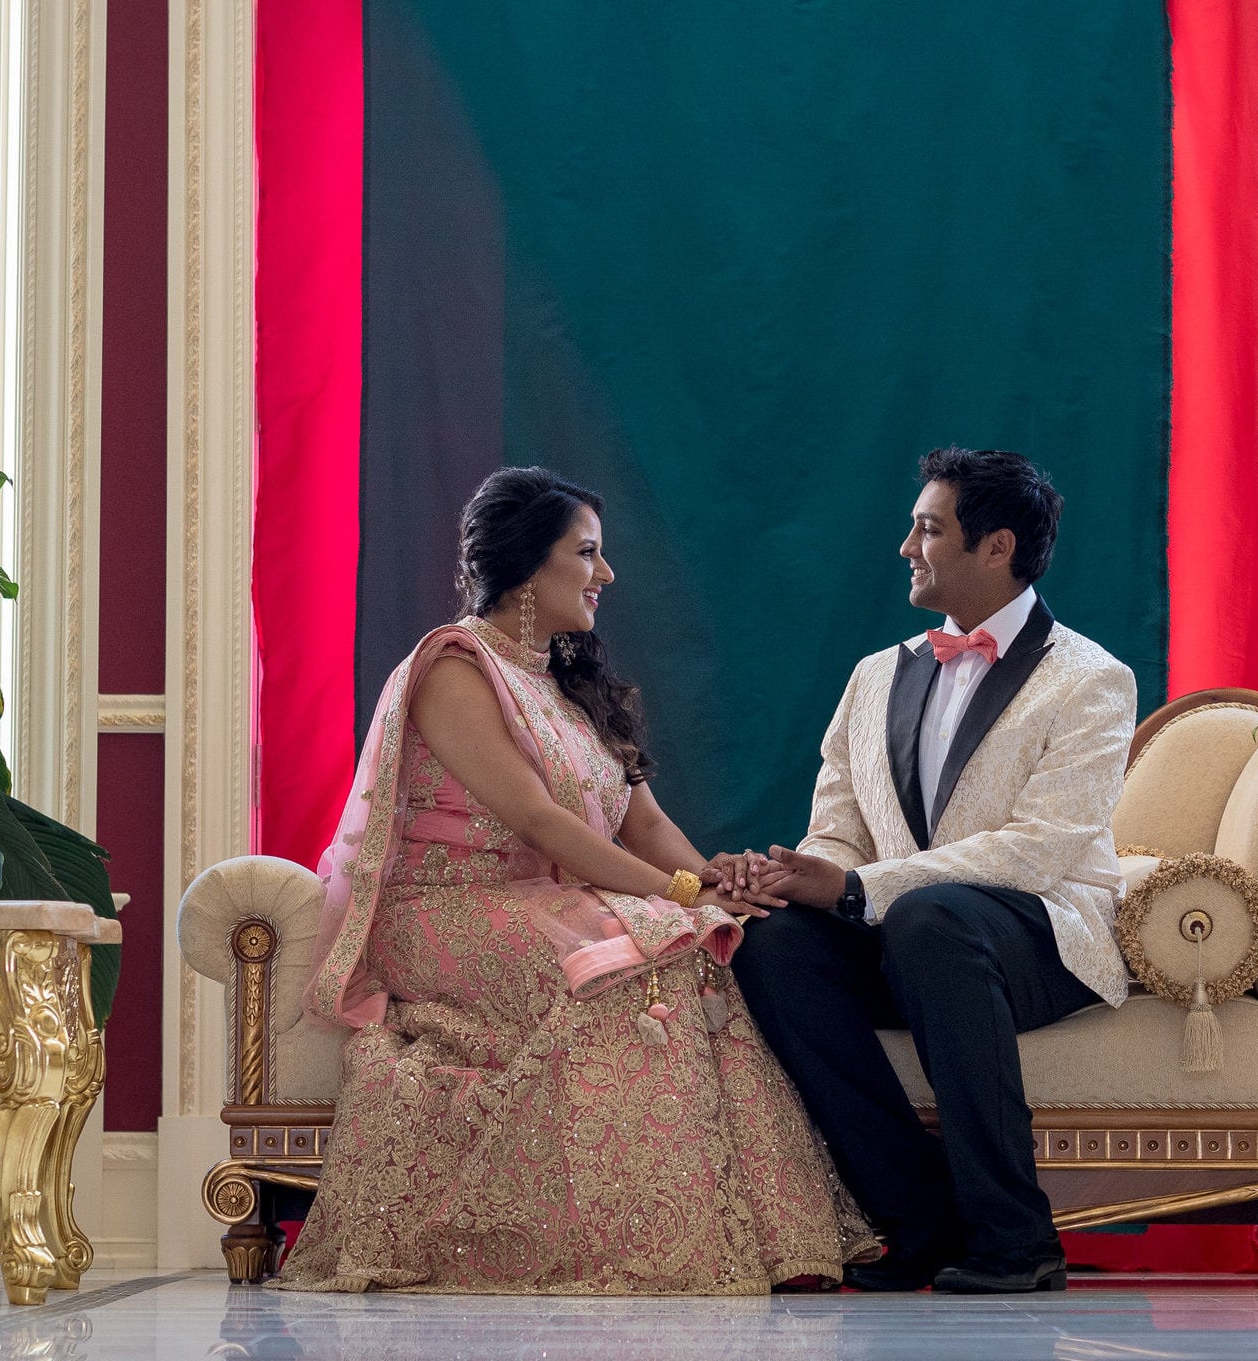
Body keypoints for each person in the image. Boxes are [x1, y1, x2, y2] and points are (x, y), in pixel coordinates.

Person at [276, 466, 874, 1294]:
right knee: (633, 972)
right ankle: (630, 1245)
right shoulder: (454, 669)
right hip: (446, 910)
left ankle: (750, 1239)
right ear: (528, 563)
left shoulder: (567, 682)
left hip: (546, 904)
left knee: (703, 955)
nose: (607, 575)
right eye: (587, 553)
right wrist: (681, 899)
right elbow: (540, 823)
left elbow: (647, 822)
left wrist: (717, 881)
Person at [731, 448, 1136, 1295]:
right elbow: (840, 831)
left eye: (927, 528)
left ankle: (1016, 1239)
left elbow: (1043, 847)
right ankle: (917, 1220)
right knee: (771, 945)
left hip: (1041, 934)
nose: (906, 546)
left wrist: (858, 889)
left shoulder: (1092, 678)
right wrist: (804, 876)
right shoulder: (875, 676)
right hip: (907, 929)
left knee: (933, 920)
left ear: (996, 546)